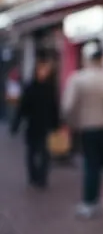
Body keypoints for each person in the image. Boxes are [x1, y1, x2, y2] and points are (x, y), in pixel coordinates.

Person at [62, 40, 103, 219]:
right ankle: (95, 199)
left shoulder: (77, 79)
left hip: (87, 127)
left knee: (90, 165)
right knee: (99, 165)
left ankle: (89, 201)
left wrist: (72, 122)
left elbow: (68, 106)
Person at [10, 52, 60, 189]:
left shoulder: (50, 88)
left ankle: (42, 178)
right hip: (32, 125)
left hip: (45, 125)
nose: (43, 73)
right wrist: (16, 124)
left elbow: (54, 107)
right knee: (32, 152)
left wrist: (56, 124)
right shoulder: (30, 87)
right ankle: (33, 176)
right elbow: (22, 107)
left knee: (44, 152)